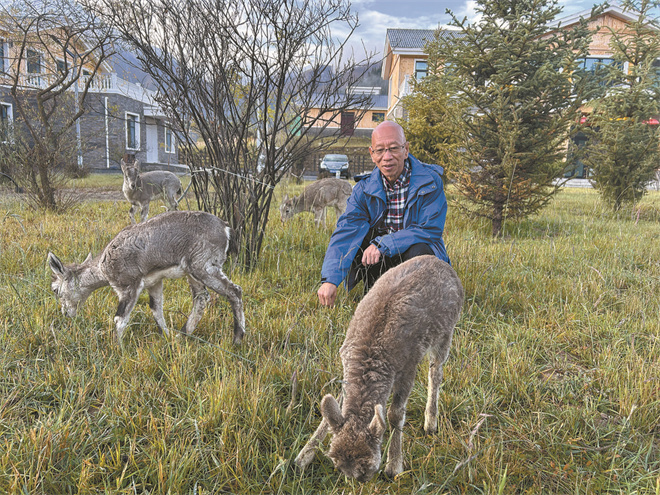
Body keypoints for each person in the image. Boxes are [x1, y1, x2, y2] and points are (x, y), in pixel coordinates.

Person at [318, 121, 450, 307]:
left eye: (393, 148)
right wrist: (329, 279)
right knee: (360, 239)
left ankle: (419, 302)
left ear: (406, 150)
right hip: (380, 259)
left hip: (412, 256)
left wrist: (384, 244)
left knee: (419, 250)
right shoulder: (364, 189)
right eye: (380, 150)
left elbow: (429, 229)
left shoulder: (430, 182)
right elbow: (346, 231)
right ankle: (374, 292)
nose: (387, 157)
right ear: (372, 154)